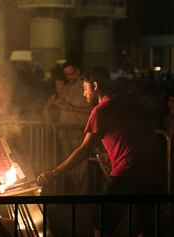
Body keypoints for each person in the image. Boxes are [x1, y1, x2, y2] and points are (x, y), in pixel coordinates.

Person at [37, 67, 162, 237]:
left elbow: (84, 149)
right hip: (149, 173)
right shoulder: (127, 104)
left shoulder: (100, 111)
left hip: (126, 174)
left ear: (95, 86)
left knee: (100, 222)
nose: (83, 93)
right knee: (145, 228)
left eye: (84, 88)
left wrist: (55, 172)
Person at [56, 61, 93, 194]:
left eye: (71, 74)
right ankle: (77, 193)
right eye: (66, 75)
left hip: (78, 131)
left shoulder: (85, 87)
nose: (69, 77)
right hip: (65, 131)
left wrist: (71, 108)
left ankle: (83, 195)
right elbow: (61, 100)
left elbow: (91, 110)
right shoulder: (68, 86)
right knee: (69, 165)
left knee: (81, 165)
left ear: (78, 71)